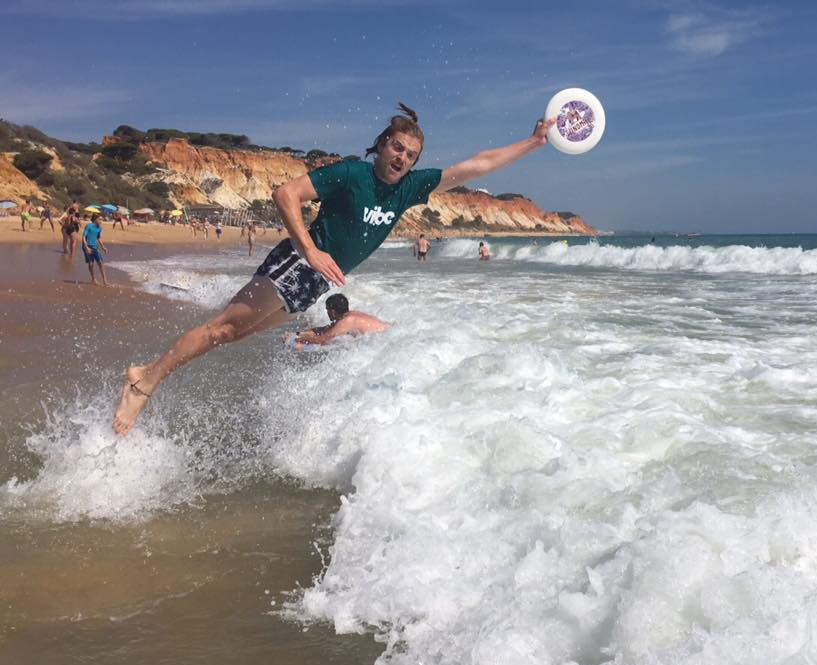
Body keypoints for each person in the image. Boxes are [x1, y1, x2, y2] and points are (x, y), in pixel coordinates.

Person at [112, 102, 557, 435]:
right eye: (396, 147)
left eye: (410, 155)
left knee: (235, 335)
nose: (401, 158)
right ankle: (143, 384)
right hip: (296, 264)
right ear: (382, 145)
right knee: (222, 330)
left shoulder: (409, 189)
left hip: (315, 282)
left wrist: (534, 143)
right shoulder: (351, 174)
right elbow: (285, 194)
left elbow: (476, 164)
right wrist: (309, 250)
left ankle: (144, 373)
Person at [288, 293, 389, 350]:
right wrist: (297, 333)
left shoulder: (346, 321)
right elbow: (326, 329)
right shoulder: (350, 315)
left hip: (384, 340)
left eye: (327, 309)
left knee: (327, 343)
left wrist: (299, 339)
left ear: (332, 311)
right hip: (389, 334)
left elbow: (321, 339)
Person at [81, 213, 108, 285]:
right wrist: (86, 247)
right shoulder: (88, 226)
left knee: (101, 263)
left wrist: (103, 247)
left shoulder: (99, 228)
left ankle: (105, 280)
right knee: (91, 264)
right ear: (95, 219)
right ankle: (93, 279)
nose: (101, 221)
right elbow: (83, 237)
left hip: (95, 247)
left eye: (101, 219)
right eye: (100, 219)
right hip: (87, 247)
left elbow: (98, 238)